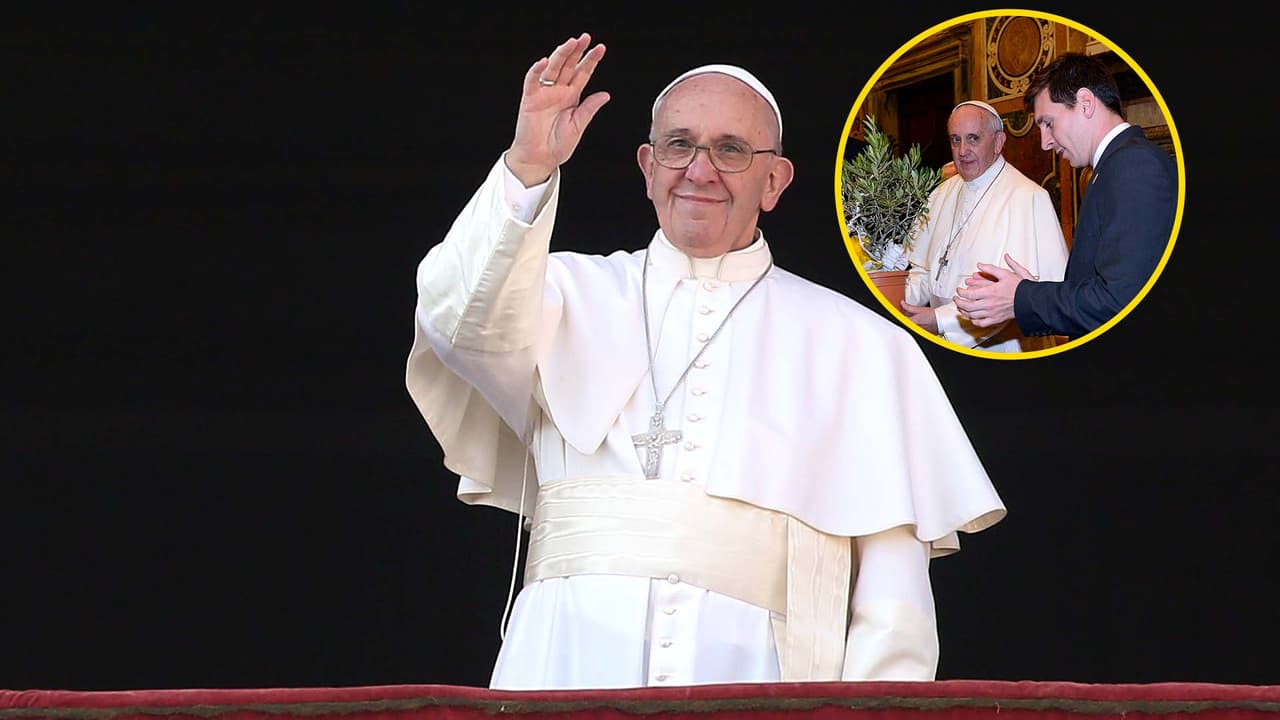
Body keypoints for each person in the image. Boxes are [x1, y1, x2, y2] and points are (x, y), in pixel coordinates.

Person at [405, 33, 1005, 690]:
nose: (699, 169)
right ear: (647, 166)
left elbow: (894, 602)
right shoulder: (559, 295)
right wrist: (527, 166)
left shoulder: (860, 343)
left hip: (761, 682)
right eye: (679, 145)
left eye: (731, 150)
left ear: (774, 181)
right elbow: (454, 321)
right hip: (561, 668)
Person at [953, 51, 1178, 339]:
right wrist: (1031, 292)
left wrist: (1021, 298)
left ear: (1085, 103)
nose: (1045, 143)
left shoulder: (1132, 165)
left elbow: (1120, 301)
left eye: (1048, 123)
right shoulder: (1113, 166)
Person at [901, 100, 1068, 352]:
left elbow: (1019, 297)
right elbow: (923, 269)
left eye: (973, 139)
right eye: (955, 140)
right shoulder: (941, 194)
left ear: (999, 142)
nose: (962, 150)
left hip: (1005, 352)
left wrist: (940, 321)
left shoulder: (1028, 197)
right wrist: (899, 305)